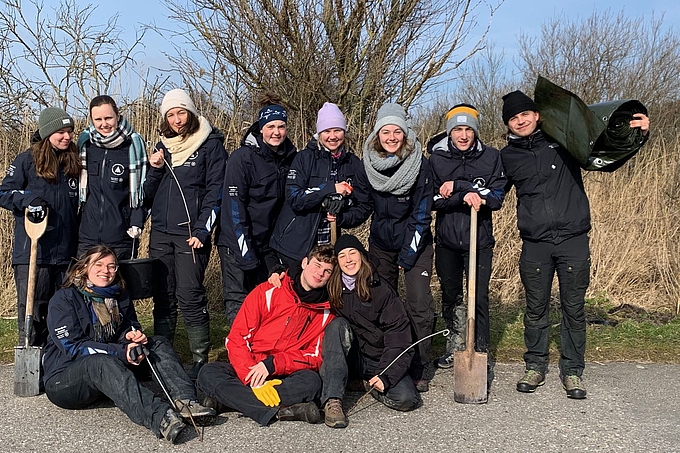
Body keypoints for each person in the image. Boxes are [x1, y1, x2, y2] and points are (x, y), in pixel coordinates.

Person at [500, 90, 650, 399]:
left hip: (573, 239)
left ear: (537, 115)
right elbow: (492, 193)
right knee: (536, 308)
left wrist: (637, 135)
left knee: (573, 308)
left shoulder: (563, 140)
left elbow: (605, 157)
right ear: (508, 125)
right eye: (514, 118)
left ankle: (572, 372)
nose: (521, 120)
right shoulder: (507, 157)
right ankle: (535, 366)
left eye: (525, 114)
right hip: (535, 243)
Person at [42, 245, 215, 444]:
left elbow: (129, 327)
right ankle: (160, 417)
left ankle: (186, 402)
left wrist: (132, 337)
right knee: (100, 362)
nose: (105, 271)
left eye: (111, 266)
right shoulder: (64, 299)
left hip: (108, 369)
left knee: (157, 342)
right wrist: (121, 351)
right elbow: (73, 347)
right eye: (98, 265)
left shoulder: (119, 294)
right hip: (64, 379)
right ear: (83, 268)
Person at [196, 245, 336, 426]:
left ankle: (229, 402)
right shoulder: (267, 291)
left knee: (313, 382)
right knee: (208, 373)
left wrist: (273, 364)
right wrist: (251, 377)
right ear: (304, 263)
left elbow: (314, 357)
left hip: (285, 373)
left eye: (327, 271)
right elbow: (237, 338)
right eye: (317, 265)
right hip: (250, 367)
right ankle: (285, 412)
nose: (320, 273)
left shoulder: (327, 312)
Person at [143, 88, 227, 378]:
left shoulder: (210, 144)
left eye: (181, 112)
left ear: (191, 112)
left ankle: (199, 361)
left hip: (191, 235)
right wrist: (153, 169)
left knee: (190, 294)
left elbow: (216, 192)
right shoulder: (161, 146)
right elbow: (147, 195)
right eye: (171, 114)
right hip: (161, 235)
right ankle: (163, 359)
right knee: (163, 296)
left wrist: (203, 230)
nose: (177, 119)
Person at [361, 103, 434, 392]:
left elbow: (422, 212)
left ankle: (420, 363)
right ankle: (387, 363)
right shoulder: (368, 164)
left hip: (414, 244)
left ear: (405, 133)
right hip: (380, 245)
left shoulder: (420, 163)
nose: (391, 137)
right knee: (383, 304)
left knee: (418, 304)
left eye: (397, 131)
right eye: (385, 131)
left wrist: (409, 253)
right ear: (377, 135)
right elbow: (366, 206)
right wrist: (342, 213)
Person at [426, 104, 506, 370]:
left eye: (468, 129)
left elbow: (495, 199)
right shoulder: (437, 160)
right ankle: (455, 345)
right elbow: (433, 201)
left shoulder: (492, 157)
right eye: (458, 129)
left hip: (479, 241)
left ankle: (479, 348)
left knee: (478, 295)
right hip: (448, 241)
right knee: (451, 295)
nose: (463, 135)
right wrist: (463, 196)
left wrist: (461, 187)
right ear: (450, 132)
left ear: (475, 132)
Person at [320, 234, 421, 429]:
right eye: (342, 256)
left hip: (379, 359)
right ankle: (332, 400)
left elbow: (399, 337)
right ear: (337, 262)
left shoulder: (381, 289)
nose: (348, 259)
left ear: (362, 255)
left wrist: (386, 375)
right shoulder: (332, 286)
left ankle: (367, 384)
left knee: (407, 399)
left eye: (352, 253)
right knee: (336, 325)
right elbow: (306, 286)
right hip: (353, 356)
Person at [0, 107, 80, 347]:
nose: (66, 136)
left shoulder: (74, 161)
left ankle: (56, 363)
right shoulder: (27, 159)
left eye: (69, 132)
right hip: (33, 250)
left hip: (66, 252)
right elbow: (3, 192)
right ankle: (31, 359)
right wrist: (27, 200)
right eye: (60, 132)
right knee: (33, 309)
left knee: (62, 311)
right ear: (47, 133)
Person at [217, 97, 297, 325]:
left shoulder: (291, 157)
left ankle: (262, 349)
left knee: (267, 297)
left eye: (281, 126)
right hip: (236, 240)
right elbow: (234, 207)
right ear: (261, 129)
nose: (276, 132)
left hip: (268, 244)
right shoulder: (242, 158)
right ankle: (238, 351)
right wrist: (245, 251)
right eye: (270, 127)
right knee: (238, 298)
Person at [270, 102, 372, 277]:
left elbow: (364, 205)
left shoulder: (354, 164)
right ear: (319, 133)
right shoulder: (304, 159)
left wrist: (341, 218)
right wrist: (329, 188)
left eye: (337, 130)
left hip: (329, 247)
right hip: (295, 246)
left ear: (344, 132)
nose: (332, 136)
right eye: (326, 131)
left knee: (324, 298)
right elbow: (294, 197)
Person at [76, 95, 148, 259]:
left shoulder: (133, 146)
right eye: (98, 119)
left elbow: (141, 192)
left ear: (117, 115)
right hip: (86, 238)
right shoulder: (85, 145)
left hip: (121, 238)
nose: (104, 124)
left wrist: (137, 222)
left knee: (120, 284)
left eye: (108, 118)